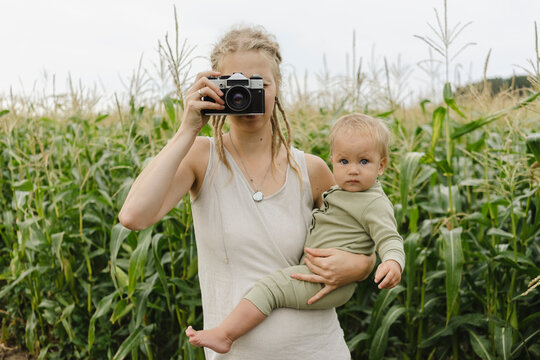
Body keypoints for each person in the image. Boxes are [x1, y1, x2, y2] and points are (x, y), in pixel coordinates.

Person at [118, 25, 375, 359]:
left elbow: (362, 240)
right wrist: (187, 128)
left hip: (319, 349)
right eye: (234, 85)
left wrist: (362, 265)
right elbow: (133, 216)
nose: (245, 95)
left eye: (259, 84)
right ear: (215, 87)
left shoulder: (311, 170)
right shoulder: (200, 158)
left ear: (278, 87)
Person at [185, 113, 405, 354]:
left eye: (364, 162)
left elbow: (389, 237)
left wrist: (392, 262)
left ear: (381, 165)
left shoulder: (373, 202)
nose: (353, 170)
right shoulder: (340, 192)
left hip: (324, 280)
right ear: (332, 159)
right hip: (316, 273)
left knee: (270, 289)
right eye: (344, 161)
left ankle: (225, 334)